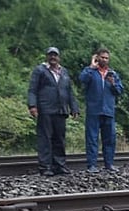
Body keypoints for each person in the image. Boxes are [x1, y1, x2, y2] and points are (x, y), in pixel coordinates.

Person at [28, 47, 80, 176]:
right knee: (45, 138)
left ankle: (59, 165)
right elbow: (32, 89)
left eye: (55, 55)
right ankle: (45, 167)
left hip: (61, 110)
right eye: (51, 55)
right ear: (47, 56)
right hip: (45, 109)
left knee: (59, 139)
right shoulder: (40, 70)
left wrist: (74, 108)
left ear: (59, 57)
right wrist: (32, 105)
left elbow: (69, 92)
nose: (53, 57)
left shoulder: (64, 72)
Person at [79, 47, 124, 173]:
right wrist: (91, 67)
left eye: (106, 58)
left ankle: (109, 164)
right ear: (97, 57)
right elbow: (82, 79)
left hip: (108, 111)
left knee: (109, 139)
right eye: (102, 57)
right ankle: (92, 165)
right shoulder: (90, 71)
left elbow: (120, 91)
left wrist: (113, 83)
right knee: (92, 138)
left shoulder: (113, 74)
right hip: (94, 110)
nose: (104, 60)